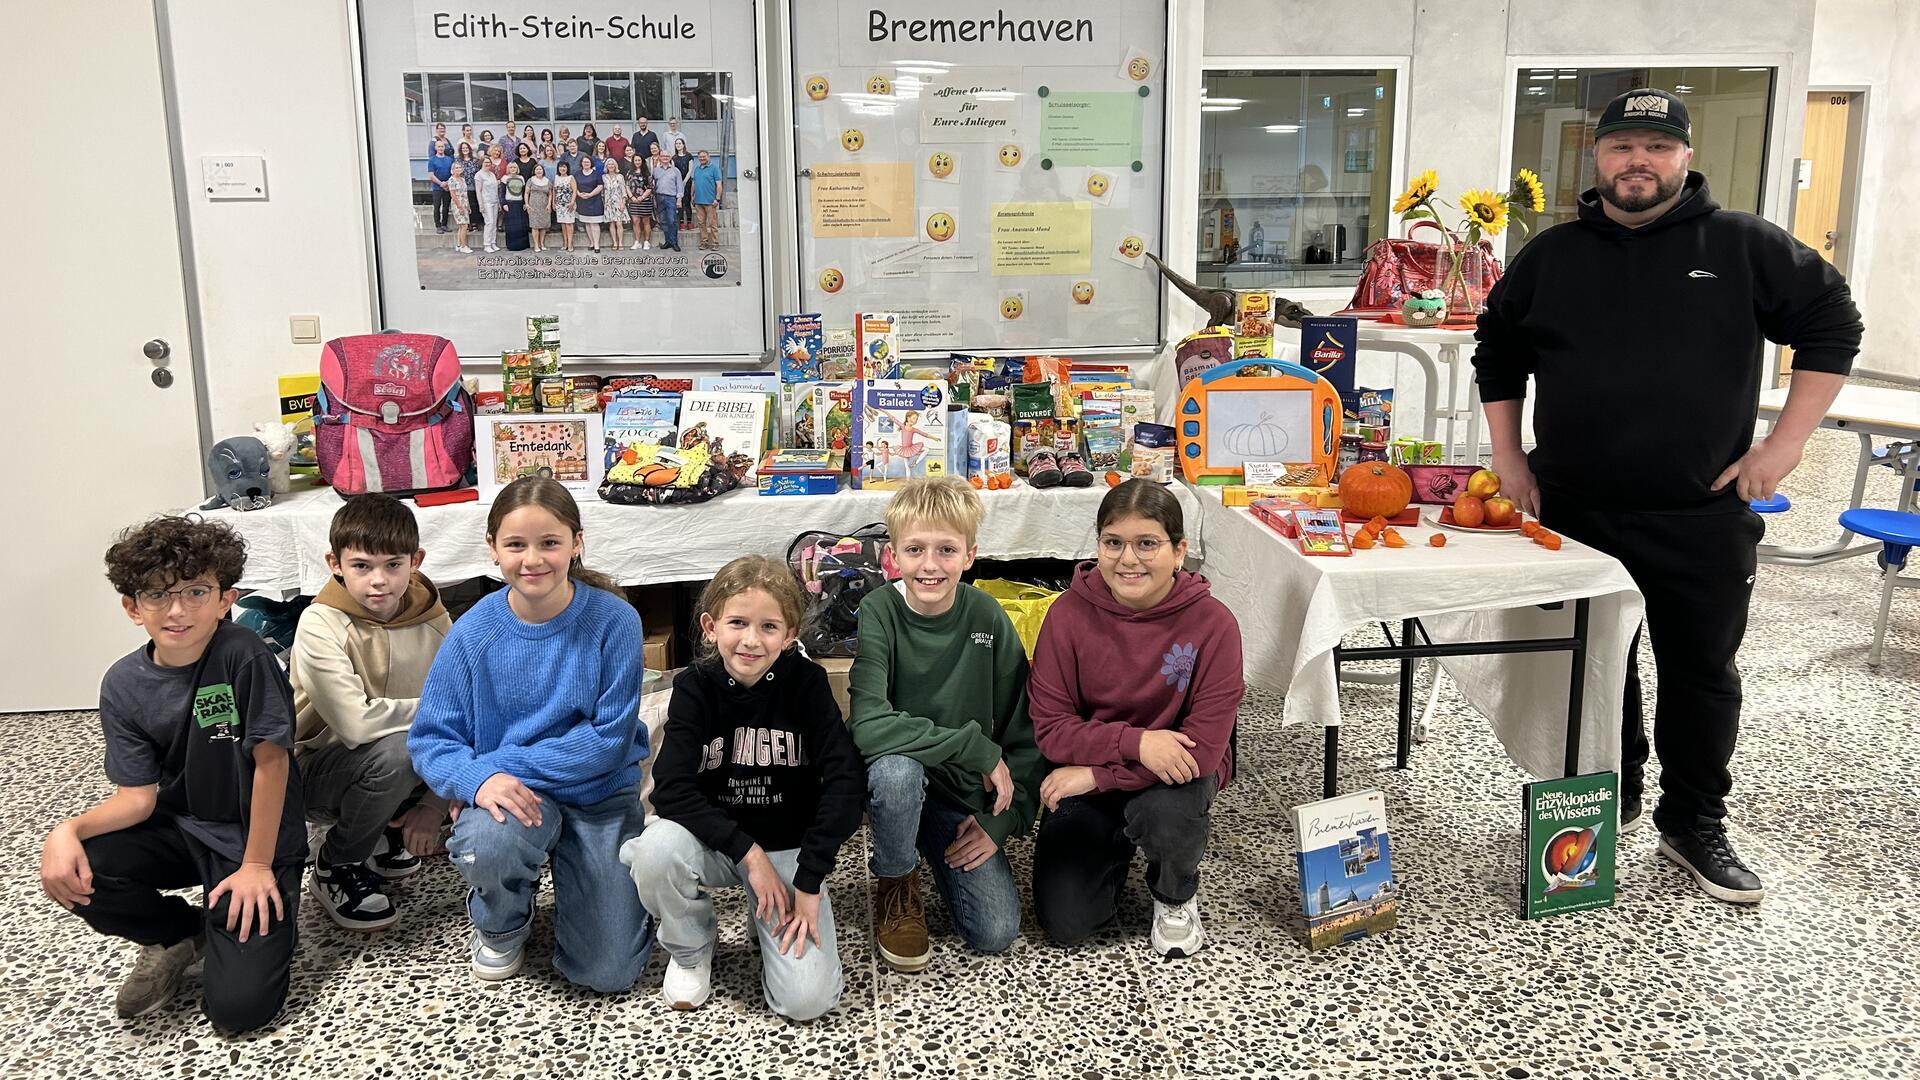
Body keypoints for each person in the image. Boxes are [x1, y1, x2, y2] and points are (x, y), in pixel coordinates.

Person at [1472, 88, 1862, 905]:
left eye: (1656, 145)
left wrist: (1784, 446)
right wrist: (1508, 456)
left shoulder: (1744, 245)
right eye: (1622, 146)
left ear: (1684, 157)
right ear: (1598, 157)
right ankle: (1607, 799)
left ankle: (1693, 824)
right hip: (1574, 513)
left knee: (1700, 673)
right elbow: (1498, 348)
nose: (1637, 161)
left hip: (1699, 513)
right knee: (1597, 669)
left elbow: (1833, 320)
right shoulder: (1553, 255)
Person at [40, 516, 306, 1031]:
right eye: (158, 595)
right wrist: (67, 830)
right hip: (181, 826)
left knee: (237, 1010)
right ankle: (179, 934)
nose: (178, 609)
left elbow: (272, 765)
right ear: (132, 608)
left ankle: (260, 917)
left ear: (227, 598)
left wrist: (255, 867)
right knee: (81, 867)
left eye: (196, 591)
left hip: (255, 840)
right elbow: (137, 798)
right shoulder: (122, 683)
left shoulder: (243, 655)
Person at [408, 477, 654, 990]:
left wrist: (494, 767)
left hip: (598, 793)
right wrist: (475, 783)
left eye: (550, 543)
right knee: (489, 841)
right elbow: (431, 738)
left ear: (577, 543)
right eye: (515, 545)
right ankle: (501, 922)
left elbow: (608, 742)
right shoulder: (472, 632)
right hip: (519, 797)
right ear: (492, 549)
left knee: (607, 971)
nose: (533, 559)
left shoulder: (616, 622)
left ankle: (596, 878)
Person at [623, 556, 863, 1019]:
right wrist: (747, 854)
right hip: (717, 843)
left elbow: (845, 784)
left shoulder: (807, 684)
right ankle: (691, 949)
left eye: (769, 626)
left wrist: (810, 880)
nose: (752, 640)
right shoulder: (695, 686)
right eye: (737, 622)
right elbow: (670, 789)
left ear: (790, 634)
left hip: (789, 850)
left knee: (807, 1001)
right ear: (711, 627)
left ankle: (765, 919)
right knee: (653, 851)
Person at [1028, 481, 1244, 957]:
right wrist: (1136, 744)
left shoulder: (1214, 625)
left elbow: (1203, 752)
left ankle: (1174, 893)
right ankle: (1120, 842)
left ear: (1180, 550)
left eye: (1147, 543)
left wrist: (1099, 776)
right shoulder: (1067, 615)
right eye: (1113, 543)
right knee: (1066, 922)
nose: (1128, 560)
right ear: (1099, 545)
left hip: (1169, 777)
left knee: (1169, 813)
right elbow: (1050, 728)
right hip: (1100, 765)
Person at [848, 477, 1038, 971]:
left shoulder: (987, 616)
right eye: (915, 549)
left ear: (970, 555)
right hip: (905, 775)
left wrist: (1002, 820)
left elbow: (1025, 725)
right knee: (895, 772)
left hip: (957, 793)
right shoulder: (879, 610)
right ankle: (897, 881)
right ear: (893, 556)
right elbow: (868, 725)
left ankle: (928, 838)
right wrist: (974, 749)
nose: (930, 565)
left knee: (996, 932)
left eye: (946, 550)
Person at [292, 495, 452, 932]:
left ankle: (383, 831)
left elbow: (465, 712)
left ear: (415, 561)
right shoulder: (320, 623)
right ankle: (336, 863)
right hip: (315, 771)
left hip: (391, 759)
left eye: (393, 565)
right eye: (361, 566)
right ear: (335, 563)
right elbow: (355, 724)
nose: (378, 581)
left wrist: (436, 806)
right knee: (400, 751)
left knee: (432, 740)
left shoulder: (434, 618)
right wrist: (437, 711)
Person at [650, 149, 684, 252]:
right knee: (663, 221)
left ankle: (674, 242)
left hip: (671, 198)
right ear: (660, 157)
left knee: (672, 220)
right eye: (663, 156)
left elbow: (680, 186)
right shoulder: (656, 170)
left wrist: (679, 199)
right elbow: (653, 184)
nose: (665, 158)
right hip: (659, 197)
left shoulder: (675, 170)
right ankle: (668, 241)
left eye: (667, 156)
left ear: (670, 158)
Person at [690, 148, 723, 249]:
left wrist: (717, 199)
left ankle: (715, 243)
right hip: (698, 201)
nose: (702, 158)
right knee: (701, 223)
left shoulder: (714, 168)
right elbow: (694, 184)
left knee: (712, 224)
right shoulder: (697, 169)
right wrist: (692, 195)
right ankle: (704, 242)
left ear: (708, 157)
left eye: (704, 156)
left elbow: (719, 185)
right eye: (700, 157)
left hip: (710, 202)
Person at [574, 156, 606, 254]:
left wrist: (591, 194)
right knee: (587, 222)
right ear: (581, 163)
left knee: (594, 223)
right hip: (582, 201)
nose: (586, 164)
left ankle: (597, 245)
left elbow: (600, 186)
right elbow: (574, 186)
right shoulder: (577, 174)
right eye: (584, 162)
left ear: (591, 163)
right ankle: (592, 243)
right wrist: (579, 194)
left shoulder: (597, 174)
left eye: (588, 162)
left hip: (595, 200)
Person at [474, 158, 501, 254]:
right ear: (481, 163)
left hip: (494, 201)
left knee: (494, 223)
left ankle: (493, 242)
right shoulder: (479, 175)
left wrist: (498, 202)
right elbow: (478, 191)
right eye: (485, 162)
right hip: (486, 202)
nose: (487, 164)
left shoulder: (492, 174)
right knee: (489, 222)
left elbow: (496, 190)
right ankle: (487, 244)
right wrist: (481, 204)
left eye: (489, 162)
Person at [626, 157, 654, 251]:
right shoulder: (630, 172)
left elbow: (650, 187)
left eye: (639, 160)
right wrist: (632, 197)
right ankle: (637, 242)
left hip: (645, 201)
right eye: (635, 160)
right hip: (633, 201)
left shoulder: (647, 173)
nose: (637, 162)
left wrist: (642, 197)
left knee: (646, 221)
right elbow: (627, 186)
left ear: (642, 161)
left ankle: (646, 242)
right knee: (635, 221)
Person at [427, 138, 453, 233]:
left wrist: (447, 183)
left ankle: (444, 224)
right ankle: (438, 226)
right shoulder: (432, 160)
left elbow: (453, 173)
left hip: (447, 186)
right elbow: (431, 175)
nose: (441, 148)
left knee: (446, 206)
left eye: (442, 146)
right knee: (437, 206)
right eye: (439, 146)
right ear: (435, 148)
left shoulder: (449, 159)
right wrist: (441, 183)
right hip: (437, 187)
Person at [602, 159, 628, 252]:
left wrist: (623, 202)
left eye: (612, 164)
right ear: (606, 166)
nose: (611, 166)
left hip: (618, 202)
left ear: (615, 165)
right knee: (611, 223)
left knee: (619, 223)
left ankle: (620, 242)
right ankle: (615, 242)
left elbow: (623, 190)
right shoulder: (604, 177)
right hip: (608, 203)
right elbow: (602, 191)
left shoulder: (620, 176)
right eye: (609, 164)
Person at [501, 169, 531, 251]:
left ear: (517, 169)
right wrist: (504, 203)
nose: (513, 169)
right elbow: (502, 192)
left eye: (514, 168)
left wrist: (525, 202)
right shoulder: (505, 178)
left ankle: (522, 245)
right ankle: (512, 245)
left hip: (520, 203)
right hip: (509, 203)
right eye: (511, 168)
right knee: (511, 226)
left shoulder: (521, 178)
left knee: (520, 225)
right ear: (508, 169)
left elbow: (524, 191)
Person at [448, 159, 473, 254]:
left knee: (461, 226)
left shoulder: (462, 179)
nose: (458, 169)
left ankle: (458, 245)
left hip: (465, 203)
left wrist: (468, 206)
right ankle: (463, 246)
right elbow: (453, 194)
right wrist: (460, 207)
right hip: (458, 205)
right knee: (464, 225)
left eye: (460, 167)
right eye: (456, 168)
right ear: (453, 169)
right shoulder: (451, 180)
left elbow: (465, 194)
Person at [527, 163, 553, 252]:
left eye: (540, 169)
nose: (539, 171)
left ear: (543, 171)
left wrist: (549, 204)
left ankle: (542, 243)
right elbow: (526, 193)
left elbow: (550, 194)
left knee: (543, 226)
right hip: (533, 205)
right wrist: (527, 204)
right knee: (535, 226)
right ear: (534, 171)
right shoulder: (531, 180)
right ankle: (536, 245)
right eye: (537, 169)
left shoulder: (547, 181)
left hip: (544, 206)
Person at [553, 160, 577, 252]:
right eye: (560, 167)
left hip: (568, 204)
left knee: (569, 223)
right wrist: (553, 203)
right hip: (559, 204)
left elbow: (575, 190)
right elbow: (554, 190)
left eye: (564, 167)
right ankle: (565, 242)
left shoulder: (570, 177)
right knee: (563, 224)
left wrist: (572, 202)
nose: (562, 169)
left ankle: (570, 243)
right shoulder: (556, 177)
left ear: (567, 168)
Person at [672, 138, 694, 228]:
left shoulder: (689, 156)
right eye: (676, 143)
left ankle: (689, 221)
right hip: (678, 181)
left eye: (680, 143)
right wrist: (679, 182)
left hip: (687, 181)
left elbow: (690, 170)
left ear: (683, 145)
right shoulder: (674, 158)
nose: (678, 145)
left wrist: (685, 181)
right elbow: (673, 170)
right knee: (679, 200)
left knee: (687, 201)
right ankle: (681, 222)